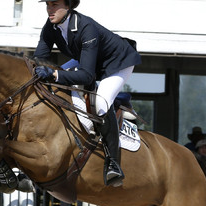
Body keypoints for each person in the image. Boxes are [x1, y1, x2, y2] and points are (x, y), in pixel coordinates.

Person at [32, 0, 141, 187]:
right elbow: (39, 59)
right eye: (48, 4)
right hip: (88, 61)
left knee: (101, 103)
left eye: (54, 4)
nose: (50, 9)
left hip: (116, 63)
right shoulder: (50, 27)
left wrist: (55, 74)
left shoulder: (86, 27)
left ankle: (113, 163)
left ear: (68, 5)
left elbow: (87, 76)